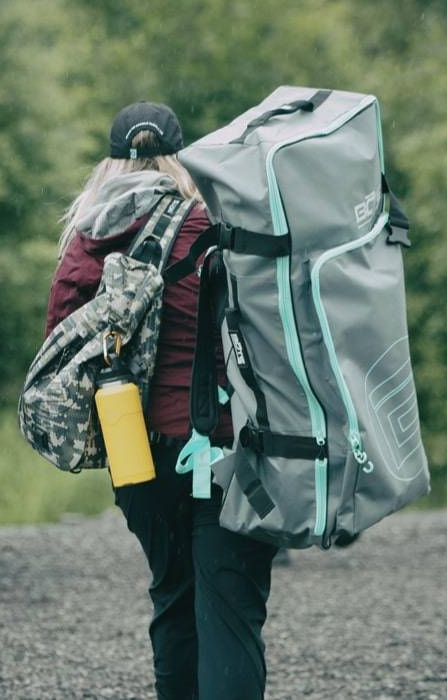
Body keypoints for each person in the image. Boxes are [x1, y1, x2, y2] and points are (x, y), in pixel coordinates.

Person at [45, 102, 279, 700]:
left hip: (137, 453)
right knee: (230, 613)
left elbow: (62, 340)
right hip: (226, 448)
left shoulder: (90, 238)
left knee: (173, 601)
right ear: (178, 157)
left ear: (112, 161)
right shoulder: (212, 224)